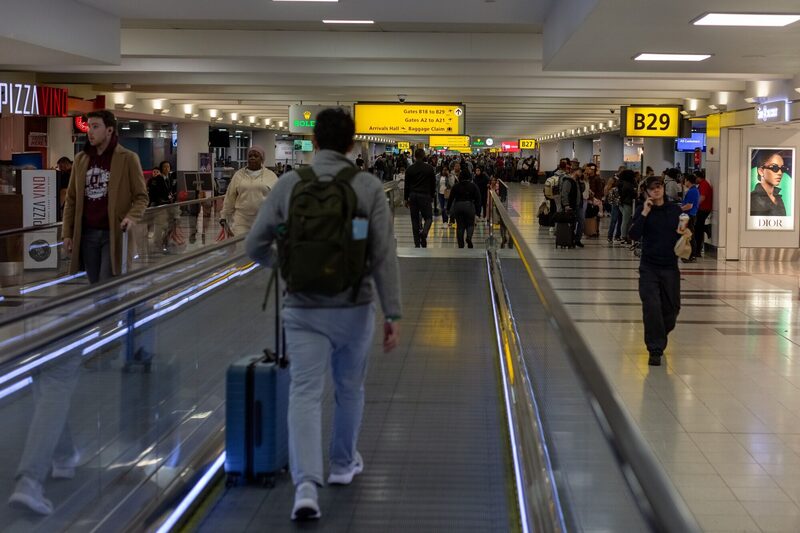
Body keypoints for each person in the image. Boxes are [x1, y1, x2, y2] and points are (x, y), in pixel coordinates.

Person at [245, 108, 401, 522]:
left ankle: (305, 487)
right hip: (354, 306)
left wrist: (286, 265)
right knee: (349, 388)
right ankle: (343, 464)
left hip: (302, 308)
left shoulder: (290, 184)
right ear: (352, 144)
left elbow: (254, 246)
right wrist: (393, 313)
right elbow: (383, 255)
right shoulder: (367, 186)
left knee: (305, 393)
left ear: (313, 142)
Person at [62, 110, 148, 283]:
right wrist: (67, 233)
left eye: (96, 127)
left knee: (107, 283)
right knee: (95, 284)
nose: (90, 132)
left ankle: (112, 309)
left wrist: (132, 217)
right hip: (87, 234)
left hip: (114, 233)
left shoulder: (128, 158)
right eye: (89, 127)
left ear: (109, 130)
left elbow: (141, 197)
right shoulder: (81, 159)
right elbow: (71, 199)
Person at [628, 175, 686, 367]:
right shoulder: (643, 210)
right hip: (649, 267)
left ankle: (659, 334)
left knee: (672, 309)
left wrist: (686, 233)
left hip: (670, 267)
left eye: (659, 187)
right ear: (646, 192)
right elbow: (633, 234)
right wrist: (644, 213)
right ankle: (655, 349)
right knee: (652, 307)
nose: (656, 191)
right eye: (652, 188)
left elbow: (685, 233)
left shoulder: (674, 210)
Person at [219, 146, 278, 236]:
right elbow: (230, 197)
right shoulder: (238, 175)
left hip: (263, 219)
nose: (252, 158)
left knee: (259, 248)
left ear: (262, 159)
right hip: (241, 220)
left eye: (256, 156)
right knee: (241, 248)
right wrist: (224, 216)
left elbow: (278, 198)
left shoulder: (270, 176)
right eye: (250, 156)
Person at [404, 148, 436, 248]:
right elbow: (433, 184)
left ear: (415, 156)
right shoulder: (429, 168)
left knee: (414, 220)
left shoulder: (410, 169)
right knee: (428, 218)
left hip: (413, 196)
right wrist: (432, 196)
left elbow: (407, 185)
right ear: (423, 156)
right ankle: (424, 232)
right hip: (425, 195)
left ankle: (417, 244)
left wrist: (406, 198)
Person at [447, 166, 482, 248]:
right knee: (470, 224)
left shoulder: (456, 186)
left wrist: (448, 209)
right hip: (469, 206)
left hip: (458, 206)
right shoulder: (473, 186)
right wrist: (478, 211)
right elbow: (478, 199)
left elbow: (451, 198)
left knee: (460, 226)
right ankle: (469, 237)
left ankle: (461, 245)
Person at [750, 151, 788, 217]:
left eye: (782, 169)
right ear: (761, 171)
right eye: (774, 168)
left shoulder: (779, 198)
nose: (780, 173)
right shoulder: (753, 199)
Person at [680, 173, 700, 262]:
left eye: (685, 180)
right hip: (689, 215)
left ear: (688, 181)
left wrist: (679, 209)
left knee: (689, 236)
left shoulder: (692, 191)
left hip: (689, 215)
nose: (684, 182)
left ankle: (691, 255)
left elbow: (689, 206)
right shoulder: (693, 190)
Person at [694, 170, 713, 258]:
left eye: (695, 177)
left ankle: (697, 250)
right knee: (698, 228)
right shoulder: (703, 184)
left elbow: (702, 197)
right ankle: (706, 228)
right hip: (703, 209)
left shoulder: (704, 184)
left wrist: (694, 206)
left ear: (698, 177)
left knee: (698, 229)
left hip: (703, 209)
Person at [617, 169, 636, 244]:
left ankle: (624, 236)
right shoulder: (628, 184)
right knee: (626, 221)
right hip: (627, 203)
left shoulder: (621, 183)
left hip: (623, 203)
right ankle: (624, 237)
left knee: (625, 220)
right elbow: (628, 194)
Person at [56, 156, 73, 221]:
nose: (60, 169)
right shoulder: (75, 170)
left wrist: (59, 207)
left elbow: (64, 190)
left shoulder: (67, 175)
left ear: (65, 164)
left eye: (60, 167)